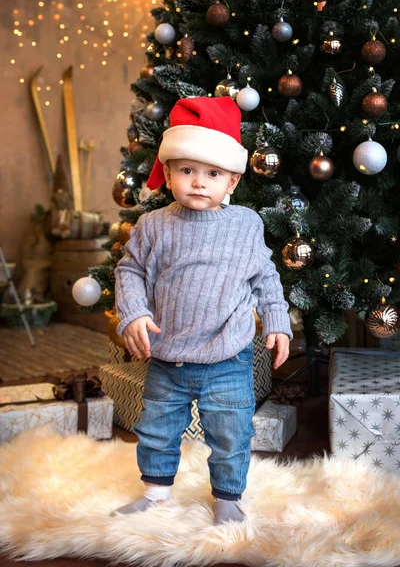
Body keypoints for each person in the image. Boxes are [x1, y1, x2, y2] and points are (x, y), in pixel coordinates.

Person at [113, 96, 292, 525]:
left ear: (231, 181)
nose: (198, 182)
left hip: (227, 355)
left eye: (212, 174)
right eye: (187, 170)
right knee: (157, 427)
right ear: (169, 174)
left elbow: (265, 277)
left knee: (231, 433)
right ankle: (155, 494)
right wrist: (134, 313)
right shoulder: (154, 225)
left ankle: (227, 499)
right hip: (167, 354)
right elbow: (130, 270)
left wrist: (278, 321)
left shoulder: (245, 224)